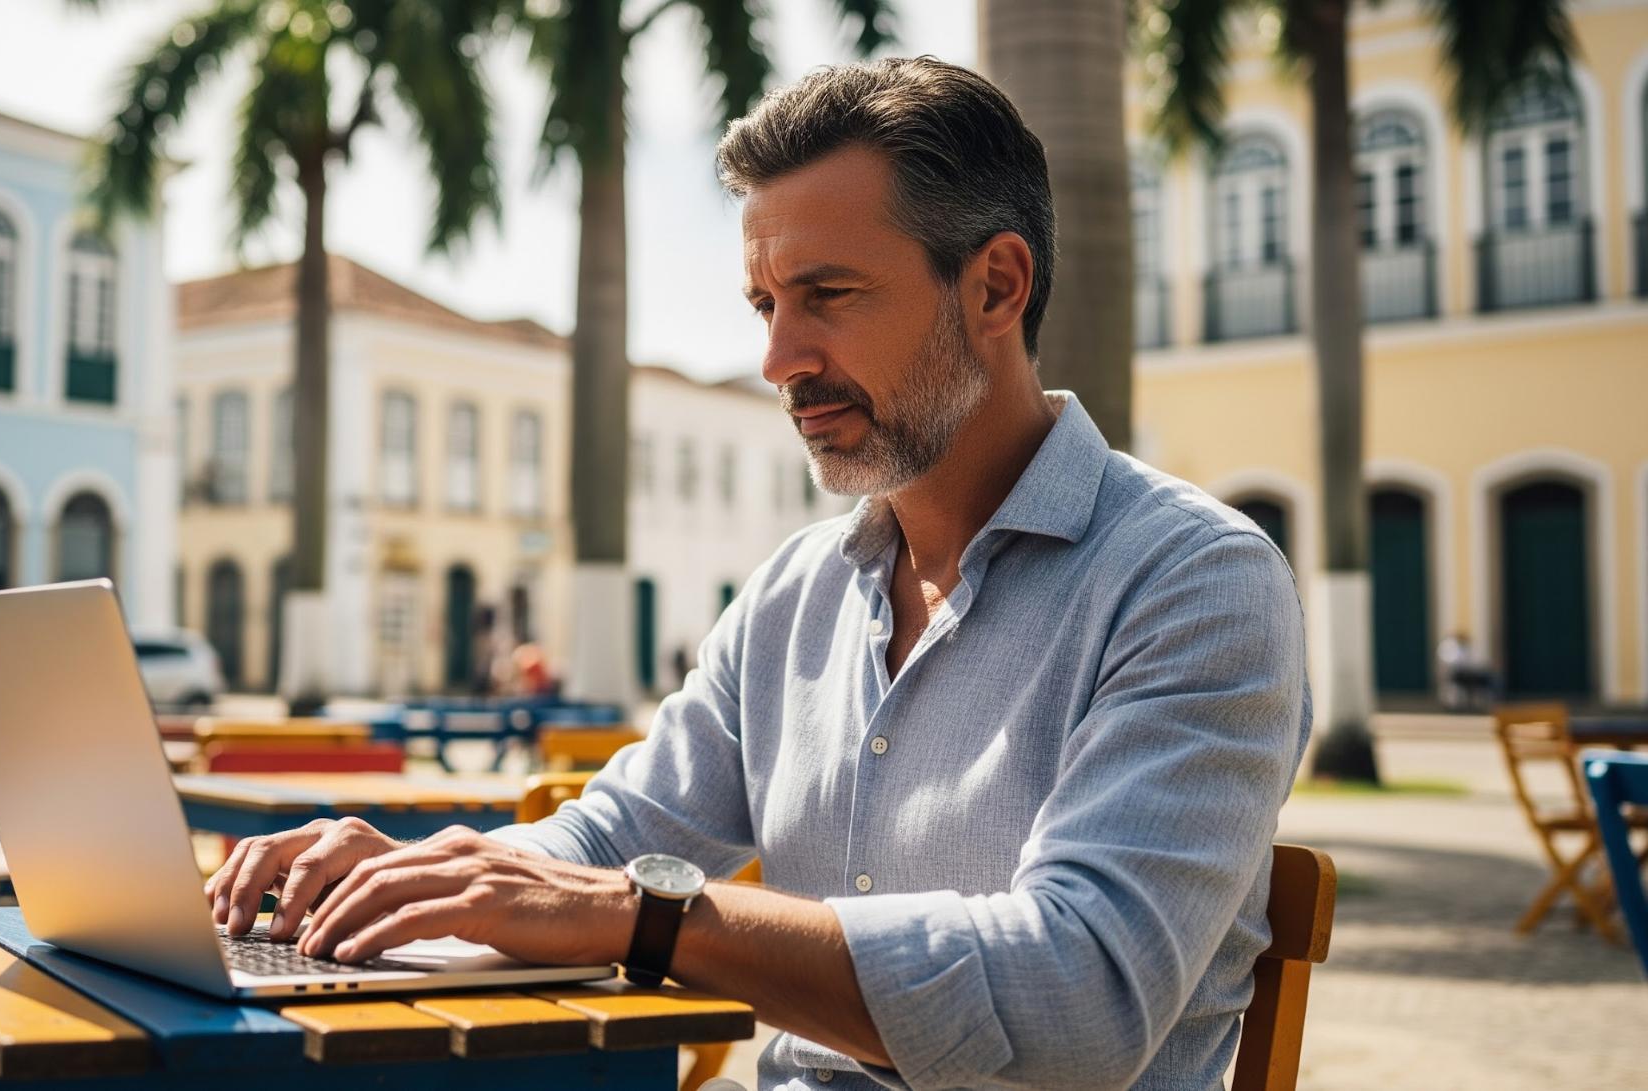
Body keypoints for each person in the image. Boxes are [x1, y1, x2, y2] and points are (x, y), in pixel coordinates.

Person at [205, 58, 1309, 1089]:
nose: (780, 359)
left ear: (996, 285)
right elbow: (604, 842)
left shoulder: (1193, 582)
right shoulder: (797, 591)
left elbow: (1080, 997)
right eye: (765, 306)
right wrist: (413, 872)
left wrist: (644, 916)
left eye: (828, 294)